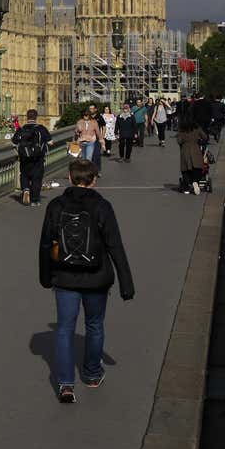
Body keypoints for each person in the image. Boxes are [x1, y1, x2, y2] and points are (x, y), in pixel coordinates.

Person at [38, 159, 134, 403]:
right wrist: (126, 283)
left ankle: (66, 385)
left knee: (64, 329)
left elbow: (46, 245)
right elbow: (115, 246)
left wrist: (45, 277)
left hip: (65, 276)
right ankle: (92, 374)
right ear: (93, 180)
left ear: (70, 178)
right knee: (94, 325)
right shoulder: (103, 207)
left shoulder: (56, 206)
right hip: (97, 278)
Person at [15, 109, 51, 206]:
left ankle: (26, 189)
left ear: (27, 117)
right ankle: (35, 200)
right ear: (36, 117)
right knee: (36, 178)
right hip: (38, 158)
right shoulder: (41, 128)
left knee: (24, 175)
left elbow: (14, 141)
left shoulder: (22, 129)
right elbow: (50, 141)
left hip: (24, 158)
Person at [177, 116, 206, 194]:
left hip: (185, 150)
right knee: (197, 168)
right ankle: (195, 182)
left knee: (185, 170)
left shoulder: (181, 130)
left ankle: (187, 187)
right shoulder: (197, 128)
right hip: (195, 149)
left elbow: (179, 141)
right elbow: (205, 137)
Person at [75, 106, 103, 170]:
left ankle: (88, 172)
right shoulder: (79, 122)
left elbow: (98, 132)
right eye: (84, 115)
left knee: (88, 158)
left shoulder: (94, 122)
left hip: (90, 143)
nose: (86, 116)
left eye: (87, 115)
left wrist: (101, 140)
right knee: (83, 159)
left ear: (89, 115)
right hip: (81, 142)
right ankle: (84, 171)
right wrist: (77, 130)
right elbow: (76, 133)